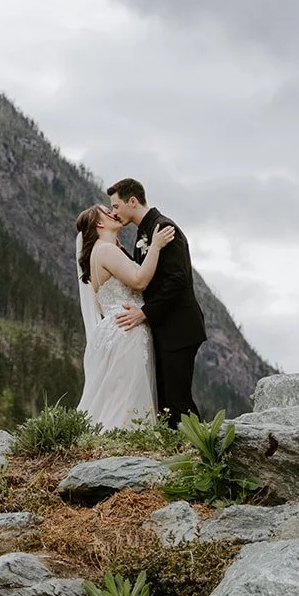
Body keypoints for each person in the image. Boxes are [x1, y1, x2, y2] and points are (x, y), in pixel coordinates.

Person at [107, 177, 207, 428]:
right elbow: (147, 276)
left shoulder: (163, 229)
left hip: (179, 329)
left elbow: (177, 281)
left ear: (132, 201)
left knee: (179, 403)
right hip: (166, 329)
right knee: (166, 404)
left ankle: (204, 457)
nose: (113, 212)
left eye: (116, 206)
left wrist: (145, 313)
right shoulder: (143, 233)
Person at [74, 203, 176, 429]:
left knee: (116, 394)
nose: (112, 213)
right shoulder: (107, 250)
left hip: (114, 326)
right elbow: (139, 280)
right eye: (106, 211)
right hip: (127, 329)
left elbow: (102, 305)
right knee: (128, 395)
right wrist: (156, 247)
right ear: (100, 223)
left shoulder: (98, 253)